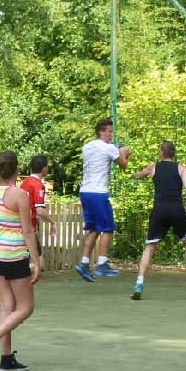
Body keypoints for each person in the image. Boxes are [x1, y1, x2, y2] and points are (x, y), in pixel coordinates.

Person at [0, 151, 41, 371]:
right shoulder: (19, 195)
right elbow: (28, 231)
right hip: (14, 256)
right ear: (17, 168)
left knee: (7, 306)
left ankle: (6, 358)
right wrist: (36, 260)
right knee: (26, 308)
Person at [129, 141, 186, 300]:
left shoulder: (153, 167)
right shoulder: (182, 168)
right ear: (174, 154)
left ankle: (139, 283)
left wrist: (131, 173)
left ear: (161, 152)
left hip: (159, 210)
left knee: (150, 246)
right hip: (176, 209)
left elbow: (139, 175)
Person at [75, 118, 129, 281]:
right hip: (98, 193)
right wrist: (125, 153)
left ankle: (84, 263)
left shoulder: (87, 146)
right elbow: (123, 165)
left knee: (94, 229)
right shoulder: (109, 148)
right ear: (101, 131)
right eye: (110, 131)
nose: (112, 134)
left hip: (85, 192)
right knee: (108, 228)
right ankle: (102, 264)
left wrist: (118, 153)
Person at [20, 154, 56, 270]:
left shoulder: (24, 183)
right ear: (44, 169)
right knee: (39, 265)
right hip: (29, 228)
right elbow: (40, 210)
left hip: (19, 226)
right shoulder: (38, 185)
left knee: (30, 260)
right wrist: (52, 222)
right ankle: (18, 272)